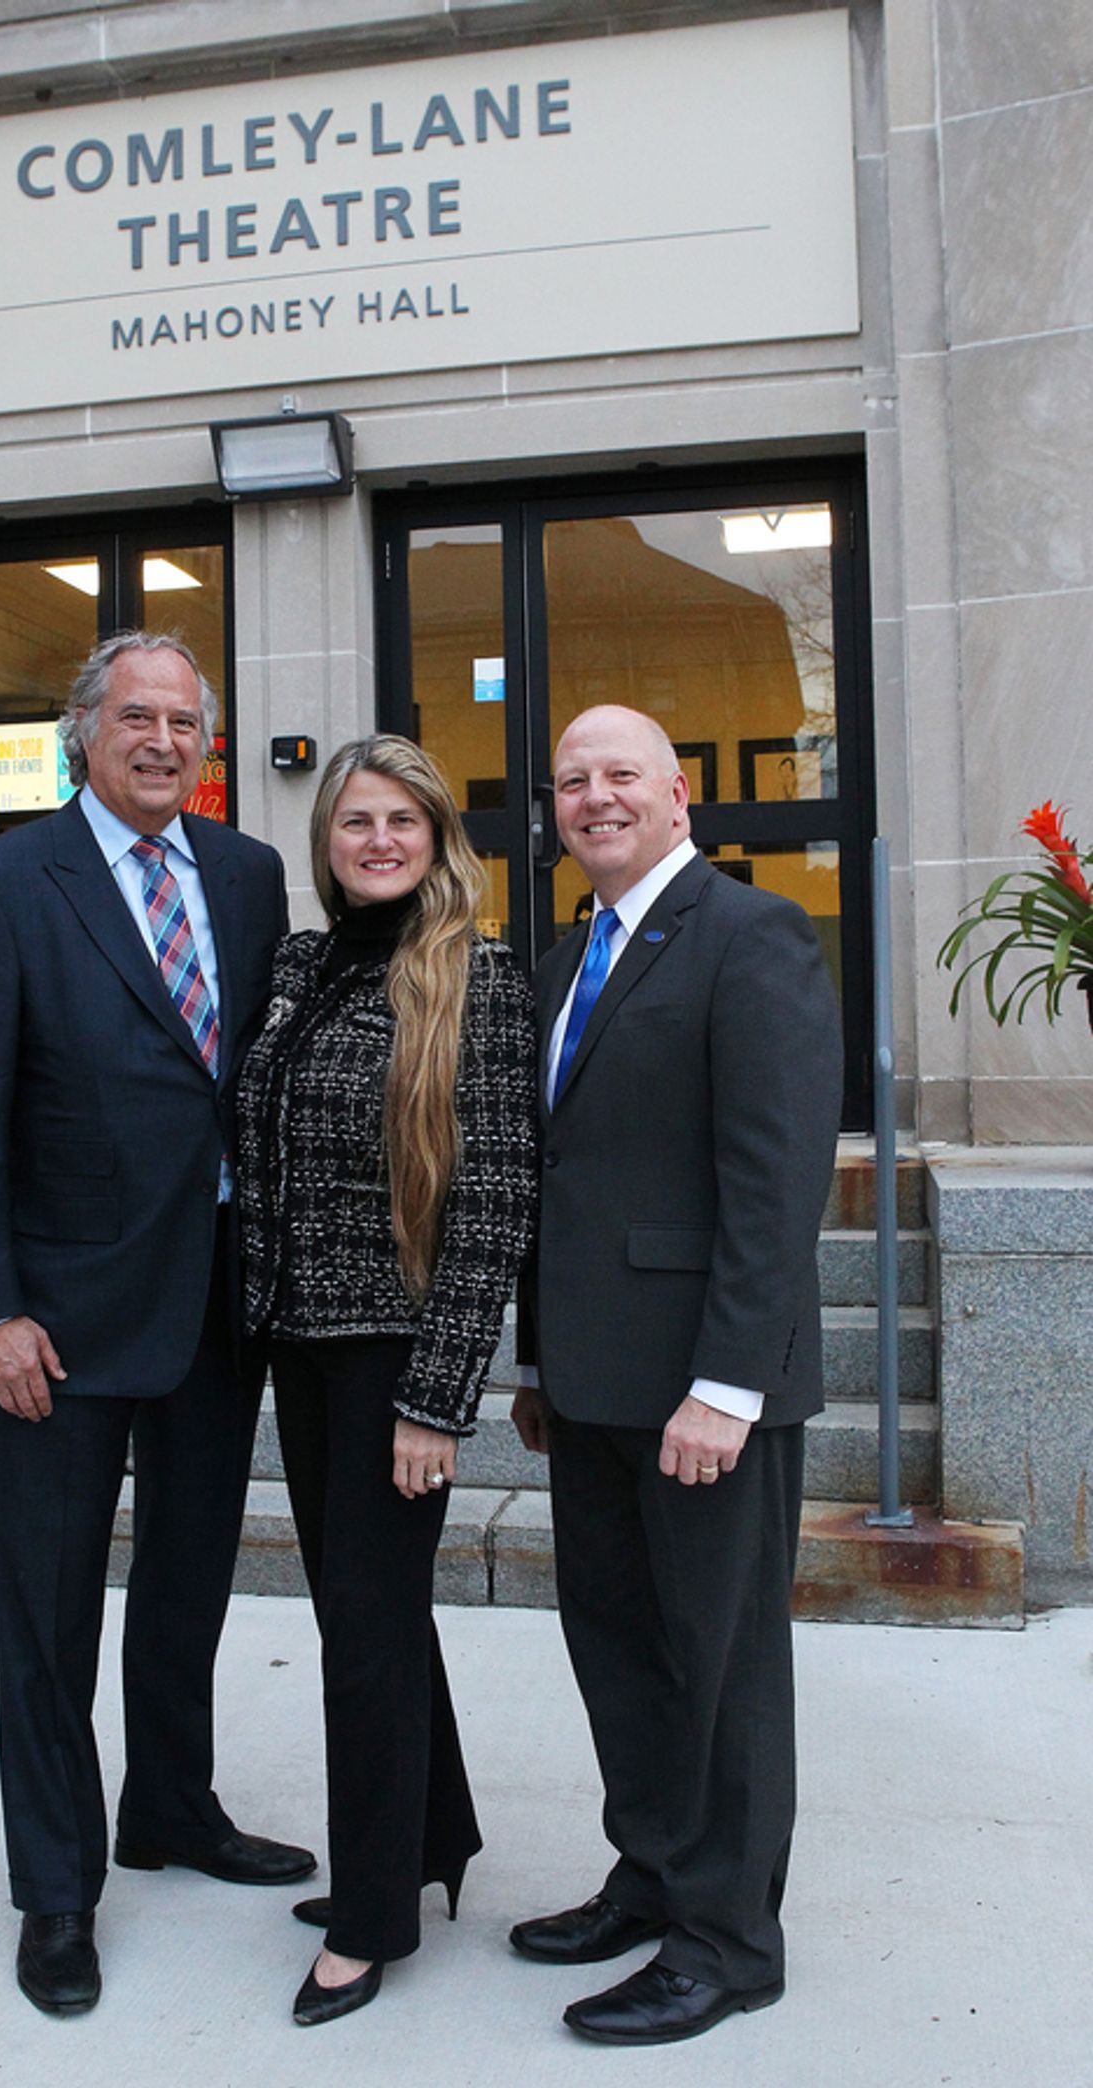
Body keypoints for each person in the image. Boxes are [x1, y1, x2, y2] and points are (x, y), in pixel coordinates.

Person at [0, 630, 314, 2019]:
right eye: (137, 718)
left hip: (216, 1302)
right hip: (59, 1322)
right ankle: (57, 1890)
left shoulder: (250, 877)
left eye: (186, 722)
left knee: (191, 1584)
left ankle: (172, 1807)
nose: (163, 740)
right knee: (50, 1613)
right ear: (86, 731)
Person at [509, 705, 843, 2048]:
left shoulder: (752, 937)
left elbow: (775, 1187)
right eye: (573, 782)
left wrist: (730, 1385)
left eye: (620, 776)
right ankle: (650, 1875)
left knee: (722, 1666)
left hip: (706, 1390)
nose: (595, 798)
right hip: (590, 1385)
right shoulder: (562, 958)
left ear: (680, 793)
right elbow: (560, 1183)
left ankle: (727, 1941)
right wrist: (540, 1360)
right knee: (625, 1656)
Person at [238, 735, 537, 2028]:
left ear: (437, 837)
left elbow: (494, 1204)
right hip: (296, 1342)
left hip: (390, 1357)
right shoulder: (300, 965)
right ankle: (425, 1841)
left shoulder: (483, 977)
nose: (375, 840)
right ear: (329, 842)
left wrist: (436, 1399)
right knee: (374, 1616)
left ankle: (369, 1925)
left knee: (362, 1636)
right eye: (354, 820)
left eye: (400, 820)